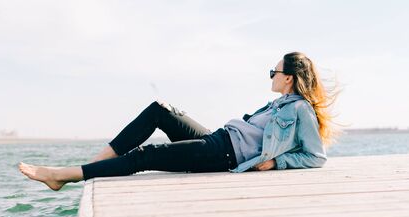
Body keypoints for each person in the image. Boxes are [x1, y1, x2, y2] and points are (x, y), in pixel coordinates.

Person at [19, 52, 338, 191]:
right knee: (160, 108)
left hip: (224, 155)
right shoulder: (280, 101)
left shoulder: (300, 110)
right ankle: (94, 166)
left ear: (289, 79)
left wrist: (276, 163)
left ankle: (64, 176)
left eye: (274, 72)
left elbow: (315, 156)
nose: (270, 76)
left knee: (146, 157)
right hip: (219, 138)